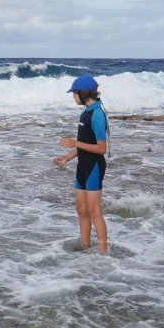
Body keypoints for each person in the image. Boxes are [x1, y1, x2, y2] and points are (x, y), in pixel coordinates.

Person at [53, 75, 109, 254]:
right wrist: (67, 157)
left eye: (74, 93)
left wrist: (74, 143)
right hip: (82, 165)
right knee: (81, 209)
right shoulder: (85, 113)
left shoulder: (97, 114)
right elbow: (85, 144)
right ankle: (85, 247)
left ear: (83, 93)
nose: (72, 96)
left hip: (94, 166)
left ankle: (103, 253)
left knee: (94, 211)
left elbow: (101, 148)